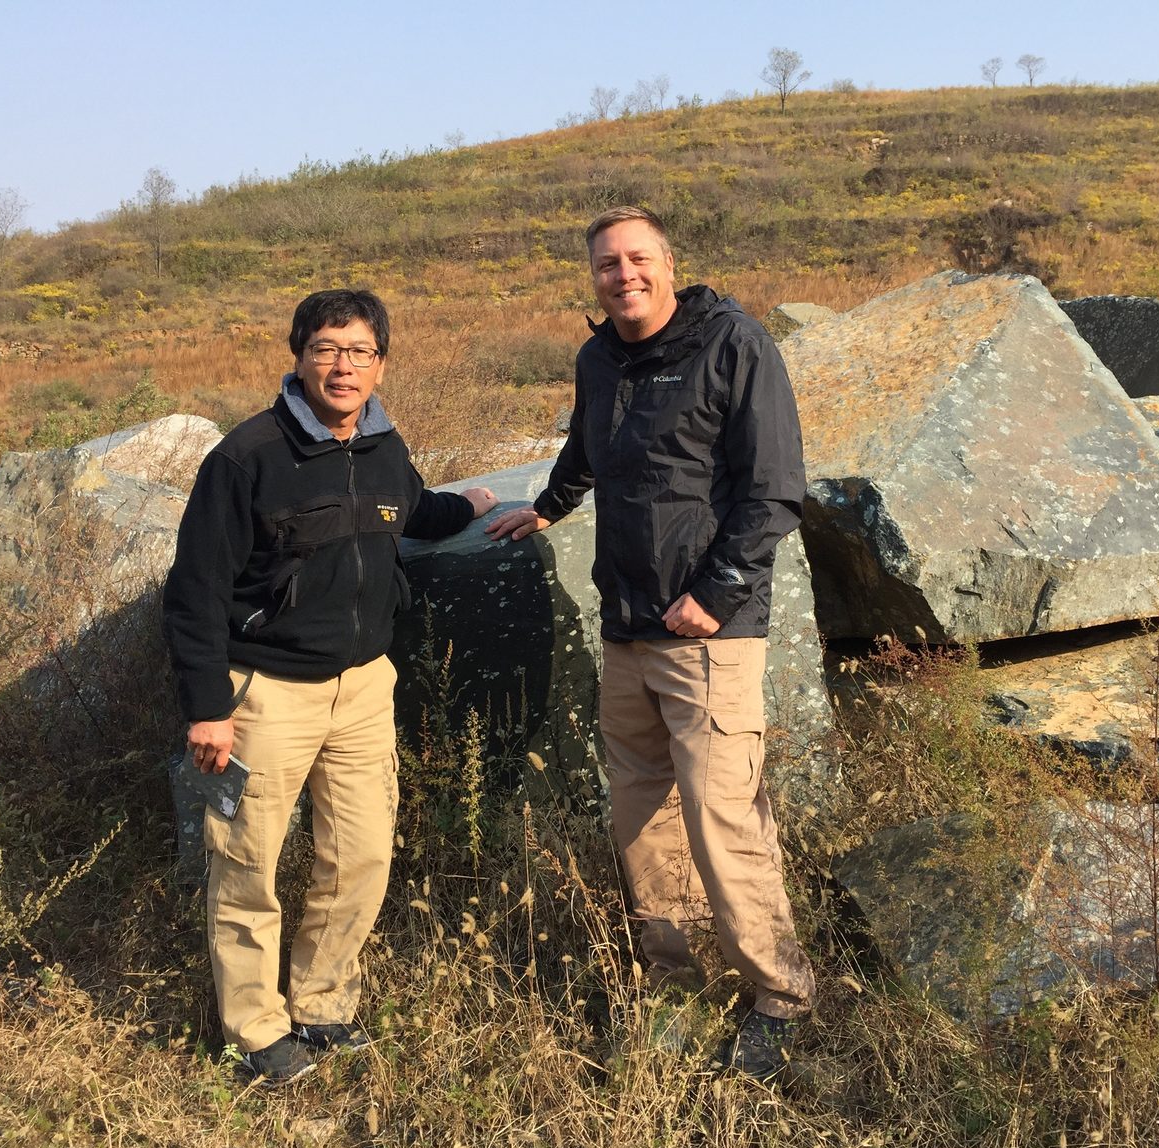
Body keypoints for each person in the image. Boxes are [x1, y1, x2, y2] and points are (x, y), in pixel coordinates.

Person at [486, 206, 816, 1081]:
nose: (622, 275)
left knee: (723, 819)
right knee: (642, 819)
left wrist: (713, 594)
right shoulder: (600, 357)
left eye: (637, 259)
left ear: (670, 264)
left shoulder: (734, 344)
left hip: (707, 633)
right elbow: (587, 445)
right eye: (606, 264)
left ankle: (780, 998)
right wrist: (550, 505)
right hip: (627, 627)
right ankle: (678, 984)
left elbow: (776, 491)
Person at [163, 289, 496, 1086]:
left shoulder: (383, 443)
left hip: (362, 690)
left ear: (380, 362)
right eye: (325, 349)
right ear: (299, 356)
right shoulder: (246, 458)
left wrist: (478, 504)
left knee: (360, 854)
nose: (342, 367)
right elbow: (196, 590)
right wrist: (208, 707)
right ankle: (255, 1030)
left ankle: (323, 1005)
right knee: (247, 863)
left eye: (358, 351)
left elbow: (412, 508)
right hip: (265, 694)